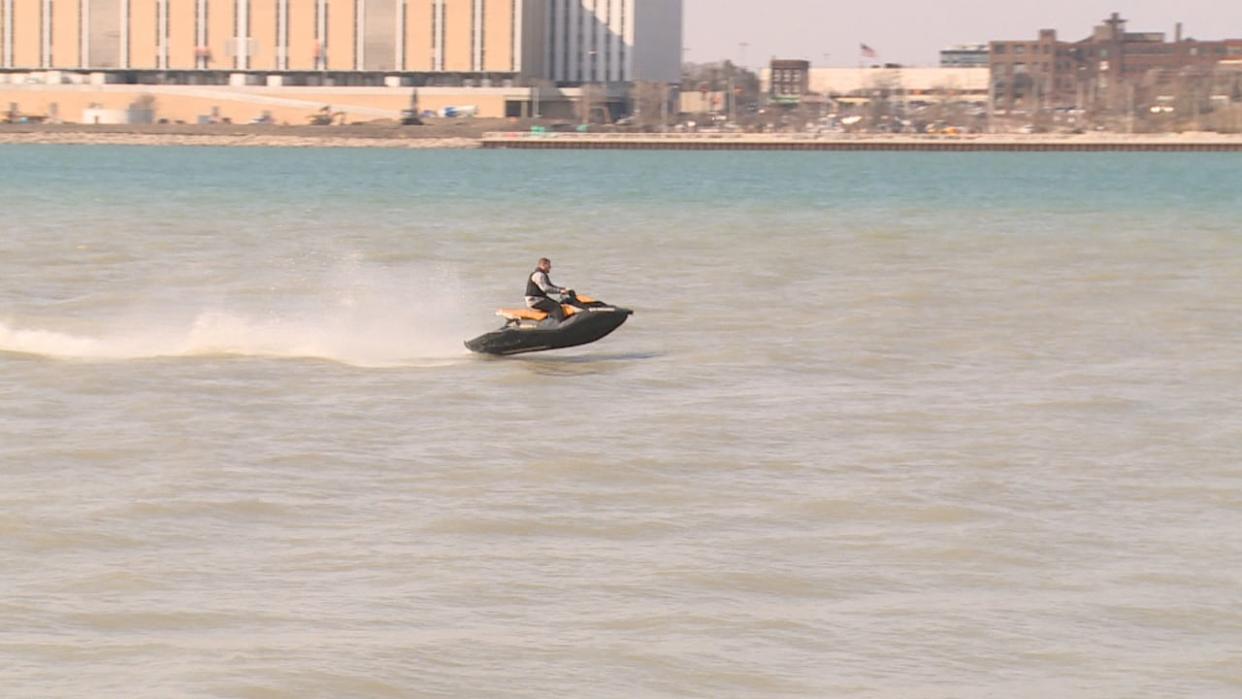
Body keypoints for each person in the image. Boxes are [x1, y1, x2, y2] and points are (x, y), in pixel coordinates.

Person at [525, 257, 572, 323]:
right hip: (534, 300)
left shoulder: (542, 274)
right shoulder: (539, 275)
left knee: (557, 303)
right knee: (556, 307)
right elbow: (545, 288)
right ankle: (561, 324)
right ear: (543, 265)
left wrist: (563, 288)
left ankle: (551, 321)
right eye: (548, 265)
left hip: (539, 299)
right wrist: (559, 291)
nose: (550, 267)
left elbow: (551, 286)